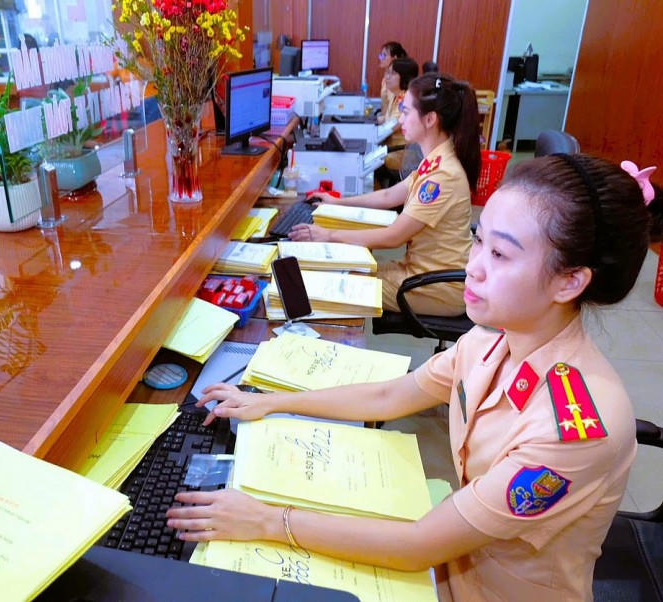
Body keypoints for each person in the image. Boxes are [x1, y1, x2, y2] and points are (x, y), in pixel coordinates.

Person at [167, 153, 652, 601]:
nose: (473, 268)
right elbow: (389, 395)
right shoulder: (492, 340)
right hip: (450, 562)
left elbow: (419, 545)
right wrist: (271, 402)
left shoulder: (576, 430)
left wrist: (268, 521)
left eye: (500, 255)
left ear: (570, 281)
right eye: (478, 241)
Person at [291, 73, 480, 317]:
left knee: (336, 286)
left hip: (436, 288)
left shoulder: (443, 175)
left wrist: (327, 235)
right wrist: (338, 202)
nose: (400, 119)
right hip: (424, 273)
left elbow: (393, 237)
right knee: (346, 270)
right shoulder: (437, 160)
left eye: (406, 112)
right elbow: (389, 196)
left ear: (430, 119)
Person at [377, 57, 418, 173]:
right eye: (387, 73)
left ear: (405, 77)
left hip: (400, 154)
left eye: (392, 73)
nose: (387, 77)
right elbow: (387, 119)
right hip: (389, 148)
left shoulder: (406, 101)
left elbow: (391, 127)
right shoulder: (396, 95)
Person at [377, 41, 407, 113]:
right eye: (381, 55)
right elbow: (385, 104)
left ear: (394, 58)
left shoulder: (397, 81)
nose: (381, 58)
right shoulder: (385, 80)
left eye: (384, 55)